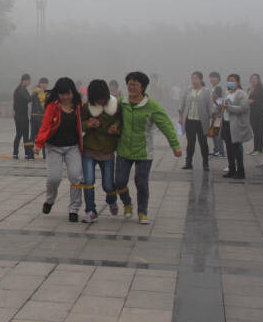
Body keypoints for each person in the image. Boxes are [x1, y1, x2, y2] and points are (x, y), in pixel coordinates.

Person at [115, 72, 181, 225]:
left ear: (143, 87)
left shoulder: (152, 105)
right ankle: (127, 203)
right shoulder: (123, 102)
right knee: (119, 181)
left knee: (141, 182)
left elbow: (166, 125)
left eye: (135, 85)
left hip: (144, 151)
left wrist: (175, 146)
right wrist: (115, 126)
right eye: (129, 84)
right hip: (124, 149)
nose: (131, 87)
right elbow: (117, 119)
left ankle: (142, 212)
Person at [33, 77, 85, 223]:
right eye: (62, 94)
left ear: (73, 92)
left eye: (68, 93)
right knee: (54, 178)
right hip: (54, 147)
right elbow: (45, 125)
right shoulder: (53, 106)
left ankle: (74, 209)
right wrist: (38, 144)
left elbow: (84, 122)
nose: (65, 97)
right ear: (58, 93)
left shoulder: (78, 105)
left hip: (73, 146)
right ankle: (50, 200)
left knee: (76, 177)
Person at [80, 80, 123, 223]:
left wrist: (116, 129)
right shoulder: (87, 107)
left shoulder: (115, 106)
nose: (101, 101)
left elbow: (121, 120)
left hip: (107, 149)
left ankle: (111, 199)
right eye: (97, 98)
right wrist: (89, 124)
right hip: (90, 149)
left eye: (103, 97)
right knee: (88, 181)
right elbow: (79, 122)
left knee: (108, 185)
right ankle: (90, 210)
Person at [177, 72, 216, 171]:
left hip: (201, 121)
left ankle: (205, 163)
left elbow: (210, 106)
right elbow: (182, 105)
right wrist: (180, 117)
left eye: (196, 78)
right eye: (192, 78)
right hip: (190, 120)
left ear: (201, 80)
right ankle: (188, 163)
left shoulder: (206, 91)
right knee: (190, 142)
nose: (193, 80)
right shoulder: (187, 90)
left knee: (203, 142)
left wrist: (213, 116)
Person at [220, 74, 252, 180]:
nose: (230, 83)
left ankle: (240, 171)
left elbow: (243, 107)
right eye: (228, 81)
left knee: (236, 148)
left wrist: (229, 107)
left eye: (232, 81)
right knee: (228, 148)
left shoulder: (241, 94)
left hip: (236, 124)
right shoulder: (227, 93)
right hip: (226, 123)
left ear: (238, 83)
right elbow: (223, 106)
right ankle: (231, 169)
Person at [13, 74, 33, 160]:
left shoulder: (18, 89)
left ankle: (15, 153)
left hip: (17, 115)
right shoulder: (22, 89)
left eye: (29, 80)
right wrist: (36, 94)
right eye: (27, 80)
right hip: (22, 115)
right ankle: (27, 154)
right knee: (25, 135)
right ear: (22, 80)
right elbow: (27, 99)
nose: (28, 82)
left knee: (18, 135)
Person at [247, 74, 263, 156]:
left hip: (259, 113)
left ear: (258, 80)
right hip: (251, 113)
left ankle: (260, 149)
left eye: (255, 79)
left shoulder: (261, 90)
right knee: (255, 132)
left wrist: (254, 101)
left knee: (260, 131)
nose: (253, 80)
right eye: (252, 78)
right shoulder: (249, 90)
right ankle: (255, 149)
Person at [29, 78, 48, 160]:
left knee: (32, 135)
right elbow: (43, 105)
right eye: (43, 83)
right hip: (40, 116)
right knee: (43, 135)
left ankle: (30, 155)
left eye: (46, 83)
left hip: (33, 115)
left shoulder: (34, 91)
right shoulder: (41, 92)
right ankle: (45, 155)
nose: (45, 85)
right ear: (40, 83)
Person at [208, 72, 226, 158]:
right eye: (211, 77)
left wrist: (215, 101)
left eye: (214, 77)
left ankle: (220, 151)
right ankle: (216, 149)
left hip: (217, 112)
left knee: (217, 132)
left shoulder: (218, 88)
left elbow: (220, 102)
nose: (212, 79)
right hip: (214, 112)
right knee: (214, 132)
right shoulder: (214, 88)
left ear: (218, 78)